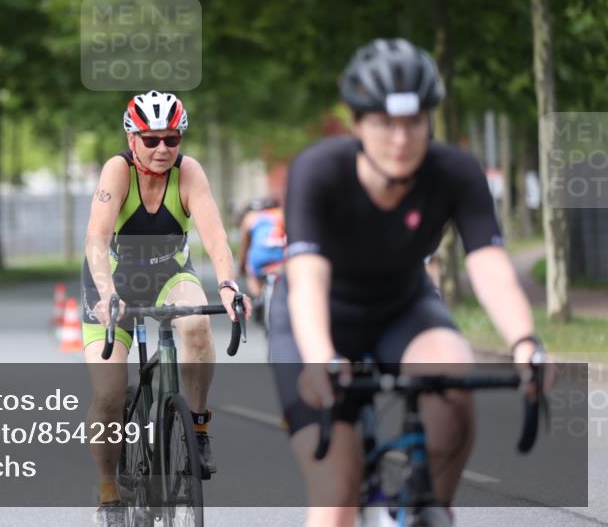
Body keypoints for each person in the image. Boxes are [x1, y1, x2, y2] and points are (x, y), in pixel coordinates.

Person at [269, 38, 548, 526]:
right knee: (337, 496)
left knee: (454, 377)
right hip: (316, 320)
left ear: (430, 121)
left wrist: (525, 343)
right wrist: (319, 359)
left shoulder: (454, 172)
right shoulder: (319, 170)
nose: (400, 140)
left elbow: (489, 265)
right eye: (383, 123)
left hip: (403, 307)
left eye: (414, 123)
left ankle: (428, 507)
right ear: (357, 123)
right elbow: (307, 276)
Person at [83, 90, 251, 525]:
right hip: (112, 284)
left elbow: (214, 235)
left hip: (169, 276)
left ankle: (196, 426)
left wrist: (230, 285)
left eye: (172, 139)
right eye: (152, 139)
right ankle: (108, 492)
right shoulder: (117, 171)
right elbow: (97, 239)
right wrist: (105, 294)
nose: (162, 149)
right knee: (108, 394)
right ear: (132, 137)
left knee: (196, 322)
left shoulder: (188, 172)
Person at [237, 195, 287, 325]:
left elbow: (245, 246)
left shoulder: (250, 218)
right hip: (281, 258)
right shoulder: (282, 214)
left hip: (259, 259)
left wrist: (242, 267)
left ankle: (258, 298)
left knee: (251, 273)